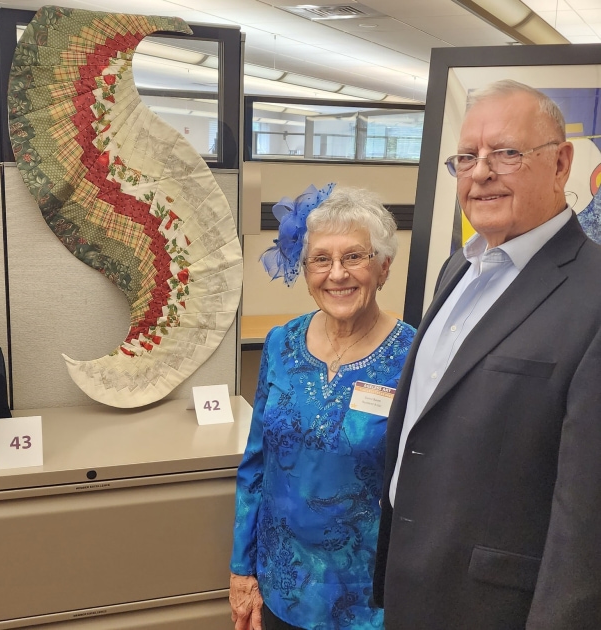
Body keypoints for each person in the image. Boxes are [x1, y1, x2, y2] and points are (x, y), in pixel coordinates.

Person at [373, 79, 601, 629]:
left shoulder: (593, 295)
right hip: (414, 584)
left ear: (561, 163)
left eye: (506, 153)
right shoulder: (459, 270)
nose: (480, 172)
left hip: (499, 608)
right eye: (466, 157)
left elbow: (588, 513)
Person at [230, 184, 416, 630]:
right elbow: (256, 463)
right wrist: (242, 569)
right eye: (321, 259)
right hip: (280, 584)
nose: (337, 274)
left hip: (366, 600)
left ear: (384, 267)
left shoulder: (415, 356)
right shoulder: (281, 344)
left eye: (354, 256)